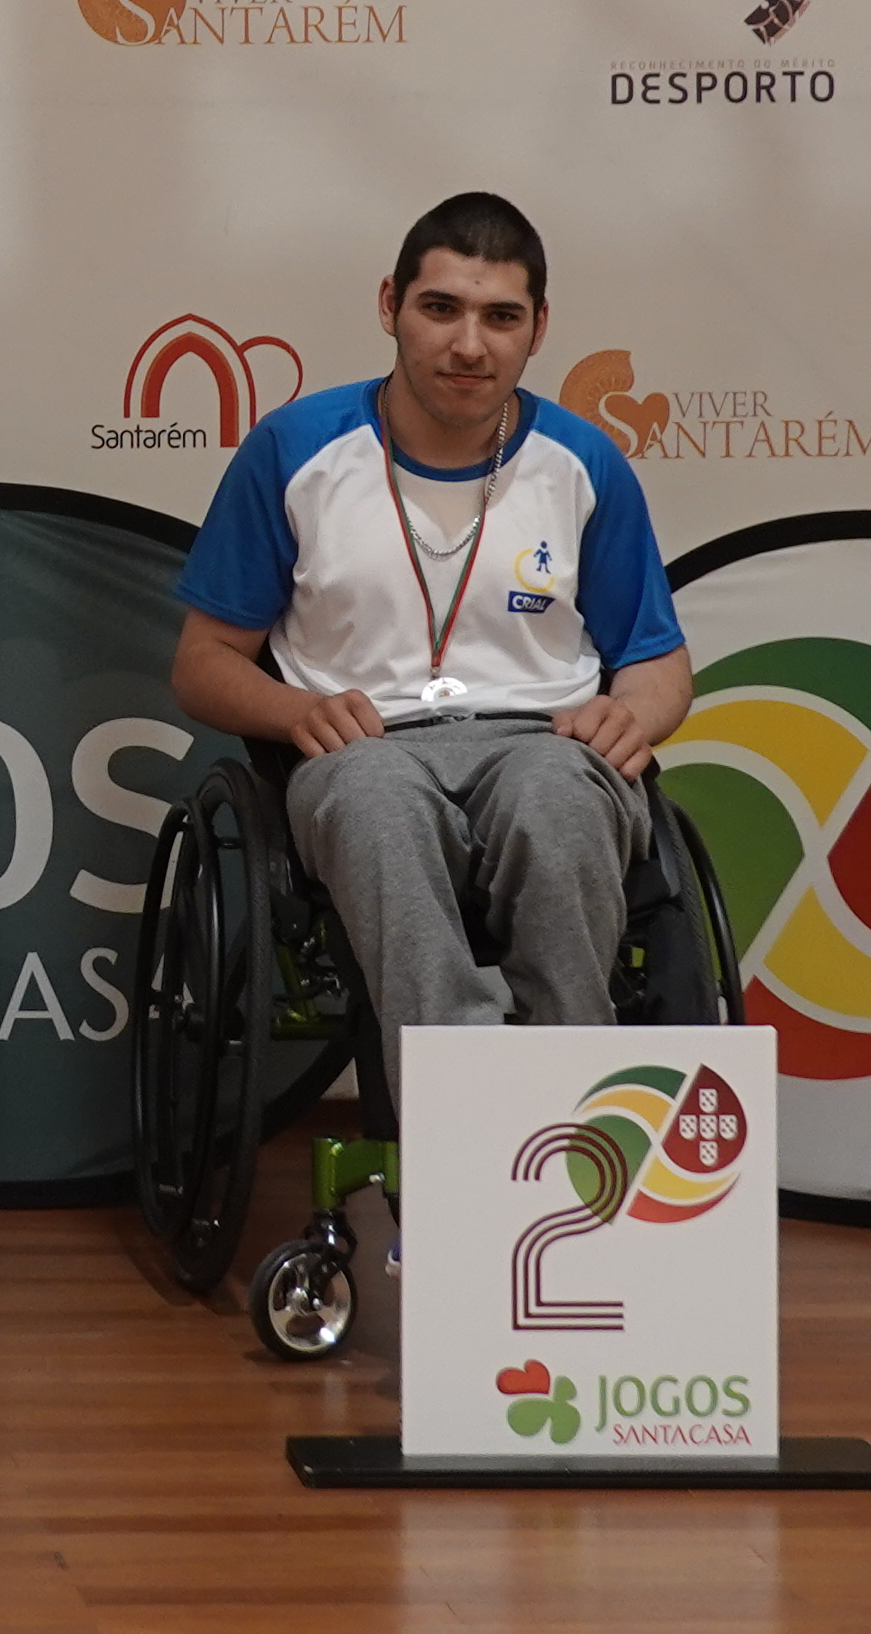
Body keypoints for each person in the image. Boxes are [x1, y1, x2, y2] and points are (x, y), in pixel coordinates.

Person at [164, 192, 695, 1083]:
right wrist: (297, 711)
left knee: (559, 795)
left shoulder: (584, 462)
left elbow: (656, 658)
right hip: (365, 745)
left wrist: (632, 716)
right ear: (391, 305)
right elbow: (201, 664)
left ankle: (576, 1099)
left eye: (501, 317)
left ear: (539, 328)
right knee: (376, 799)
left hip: (542, 741)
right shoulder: (294, 450)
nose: (469, 345)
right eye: (441, 308)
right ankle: (464, 1099)